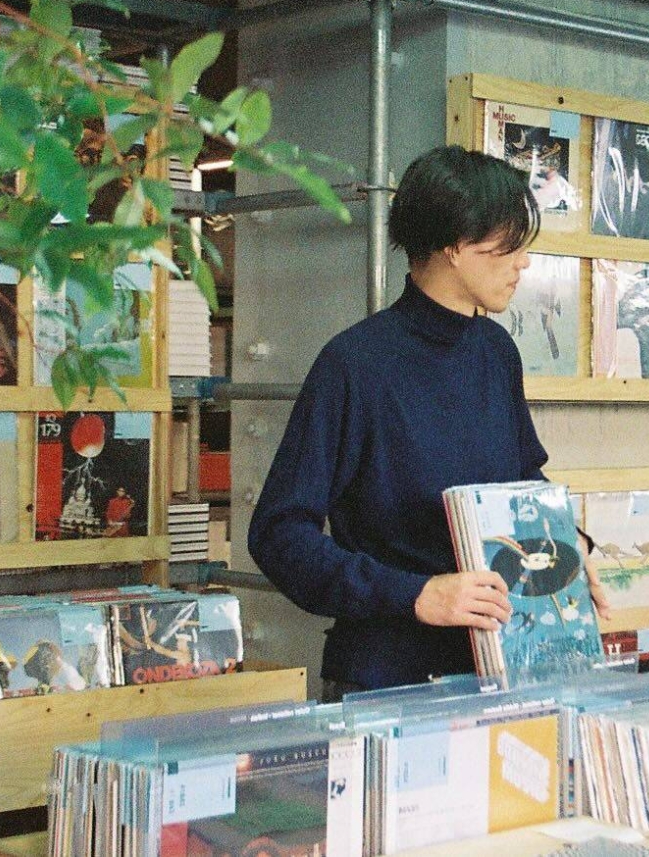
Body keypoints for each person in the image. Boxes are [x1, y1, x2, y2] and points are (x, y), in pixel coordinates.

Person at [248, 145, 609, 699]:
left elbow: (523, 485)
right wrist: (414, 594)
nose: (523, 263)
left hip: (504, 668)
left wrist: (568, 551)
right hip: (385, 682)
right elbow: (278, 537)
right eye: (508, 246)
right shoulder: (354, 365)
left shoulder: (495, 352)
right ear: (456, 247)